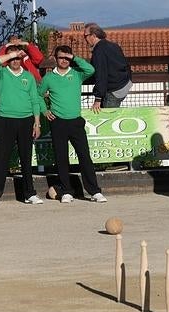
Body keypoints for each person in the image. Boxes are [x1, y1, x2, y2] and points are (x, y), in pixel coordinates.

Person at [38, 45, 108, 204]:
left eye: (67, 57)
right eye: (61, 57)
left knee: (84, 156)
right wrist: (44, 110)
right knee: (61, 158)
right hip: (58, 122)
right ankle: (66, 191)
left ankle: (94, 191)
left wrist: (74, 58)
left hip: (76, 121)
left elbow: (90, 70)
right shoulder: (49, 78)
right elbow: (38, 94)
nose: (64, 60)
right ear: (55, 59)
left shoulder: (77, 74)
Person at [0, 46, 44, 207]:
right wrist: (13, 53)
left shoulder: (28, 76)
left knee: (26, 158)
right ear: (8, 58)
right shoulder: (1, 74)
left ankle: (29, 194)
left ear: (22, 59)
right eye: (12, 58)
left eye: (18, 58)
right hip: (6, 119)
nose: (15, 61)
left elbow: (34, 100)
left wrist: (37, 122)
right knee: (2, 158)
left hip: (26, 120)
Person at [83, 22, 132, 112]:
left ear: (93, 35)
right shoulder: (114, 45)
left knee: (108, 117)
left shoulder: (99, 51)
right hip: (124, 85)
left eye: (85, 36)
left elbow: (101, 75)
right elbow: (127, 65)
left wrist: (98, 99)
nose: (84, 39)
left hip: (113, 90)